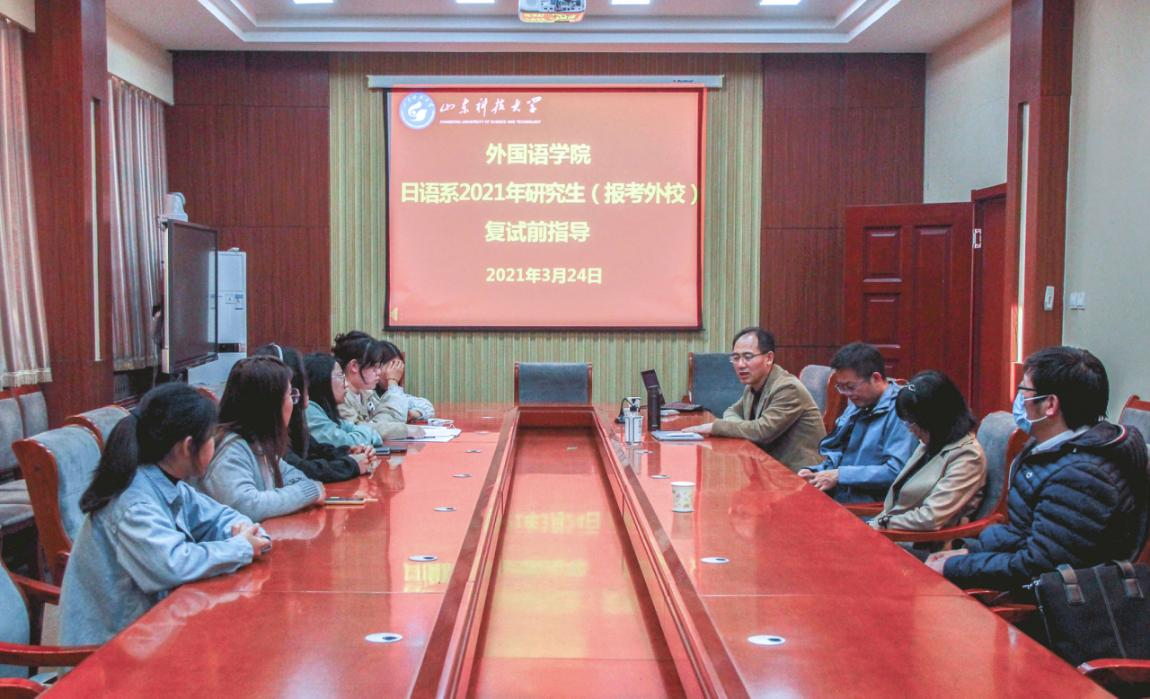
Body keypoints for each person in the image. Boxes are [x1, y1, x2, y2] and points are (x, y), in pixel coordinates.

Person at [60, 384, 268, 645]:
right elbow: (173, 565)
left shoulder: (168, 482)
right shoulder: (134, 503)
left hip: (154, 630)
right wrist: (241, 546)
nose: (215, 444)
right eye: (211, 438)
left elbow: (221, 516)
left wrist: (244, 530)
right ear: (187, 446)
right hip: (113, 649)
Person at [928, 346, 1150, 590]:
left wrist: (956, 567)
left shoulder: (1082, 477)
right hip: (1019, 568)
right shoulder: (1052, 447)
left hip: (1050, 597)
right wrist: (968, 551)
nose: (1018, 399)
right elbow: (1022, 533)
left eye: (1024, 390)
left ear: (1050, 404)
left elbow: (1039, 566)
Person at [192, 356, 326, 520]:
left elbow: (295, 477)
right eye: (290, 394)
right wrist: (309, 492)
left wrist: (304, 490)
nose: (293, 402)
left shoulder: (259, 444)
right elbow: (247, 506)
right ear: (270, 404)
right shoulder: (231, 448)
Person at [683, 327, 825, 471]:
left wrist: (715, 427)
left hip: (799, 475)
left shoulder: (787, 388)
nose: (740, 365)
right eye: (736, 358)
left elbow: (762, 431)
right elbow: (731, 411)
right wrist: (742, 426)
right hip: (767, 466)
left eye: (748, 357)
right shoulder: (753, 386)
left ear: (769, 358)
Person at [869, 370, 986, 539]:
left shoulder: (968, 456)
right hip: (890, 531)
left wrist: (881, 524)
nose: (910, 429)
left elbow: (931, 517)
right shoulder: (932, 441)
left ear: (935, 420)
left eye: (912, 422)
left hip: (918, 541)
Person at [797, 343, 918, 503]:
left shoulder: (901, 410)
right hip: (841, 494)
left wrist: (840, 475)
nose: (847, 394)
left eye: (850, 387)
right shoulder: (858, 403)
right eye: (841, 387)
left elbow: (896, 471)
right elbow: (839, 452)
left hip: (870, 505)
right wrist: (815, 472)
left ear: (876, 378)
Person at [252, 343, 370, 483]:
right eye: (301, 382)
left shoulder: (291, 422)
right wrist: (351, 464)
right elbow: (301, 470)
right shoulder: (263, 432)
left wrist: (347, 452)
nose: (305, 388)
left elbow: (316, 449)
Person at [331, 331, 423, 440]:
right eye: (374, 367)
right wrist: (404, 430)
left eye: (379, 367)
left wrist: (413, 415)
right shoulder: (339, 397)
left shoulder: (366, 393)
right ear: (354, 366)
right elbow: (359, 430)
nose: (378, 372)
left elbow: (385, 419)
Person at [305, 351, 384, 449]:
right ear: (322, 379)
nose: (346, 384)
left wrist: (367, 433)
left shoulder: (326, 411)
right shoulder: (309, 410)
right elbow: (345, 443)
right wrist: (368, 435)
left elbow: (374, 433)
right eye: (340, 376)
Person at [373, 339, 436, 421]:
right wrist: (392, 381)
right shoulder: (369, 396)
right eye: (392, 366)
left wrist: (412, 414)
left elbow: (427, 407)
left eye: (398, 367)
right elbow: (393, 419)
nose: (396, 372)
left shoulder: (390, 393)